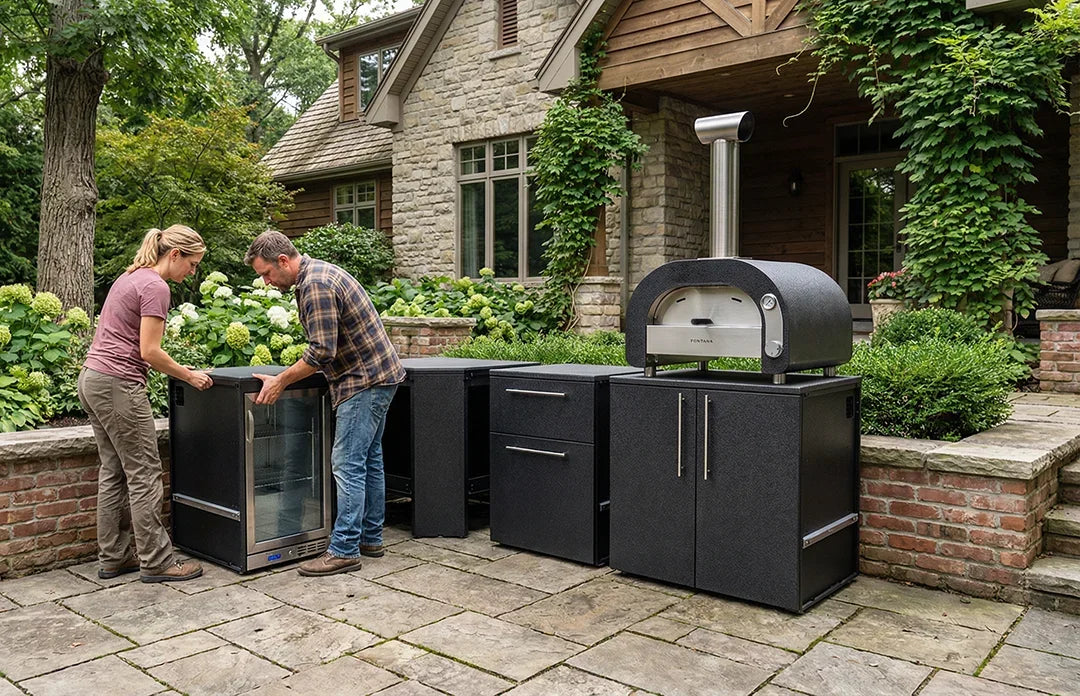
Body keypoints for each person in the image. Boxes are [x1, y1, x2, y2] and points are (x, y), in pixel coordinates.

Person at [244, 230, 405, 576]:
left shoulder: (314, 285)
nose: (267, 281)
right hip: (380, 376)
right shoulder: (319, 274)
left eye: (267, 273)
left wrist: (281, 380)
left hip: (363, 381)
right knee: (368, 460)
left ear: (283, 261)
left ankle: (345, 549)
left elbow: (321, 351)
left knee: (346, 463)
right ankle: (370, 538)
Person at [79, 225, 213, 583]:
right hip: (118, 383)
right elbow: (149, 352)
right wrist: (189, 375)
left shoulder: (131, 275)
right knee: (144, 474)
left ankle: (115, 557)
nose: (193, 272)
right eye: (193, 263)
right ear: (174, 255)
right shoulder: (156, 286)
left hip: (92, 379)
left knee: (114, 472)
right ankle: (156, 561)